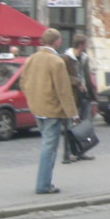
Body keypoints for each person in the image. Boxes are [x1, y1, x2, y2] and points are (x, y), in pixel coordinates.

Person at [19, 28, 79, 194]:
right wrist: (73, 113)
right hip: (52, 109)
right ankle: (43, 184)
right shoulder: (56, 61)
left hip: (37, 108)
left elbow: (23, 82)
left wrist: (32, 98)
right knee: (49, 148)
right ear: (57, 41)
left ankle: (45, 182)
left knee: (47, 145)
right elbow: (64, 90)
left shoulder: (32, 58)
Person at [61, 33, 97, 162]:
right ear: (81, 45)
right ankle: (70, 152)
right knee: (72, 126)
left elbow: (87, 77)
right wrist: (77, 82)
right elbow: (63, 77)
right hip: (73, 96)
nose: (86, 46)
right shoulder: (66, 59)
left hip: (85, 96)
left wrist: (93, 94)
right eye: (85, 44)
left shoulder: (85, 58)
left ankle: (82, 151)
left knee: (85, 125)